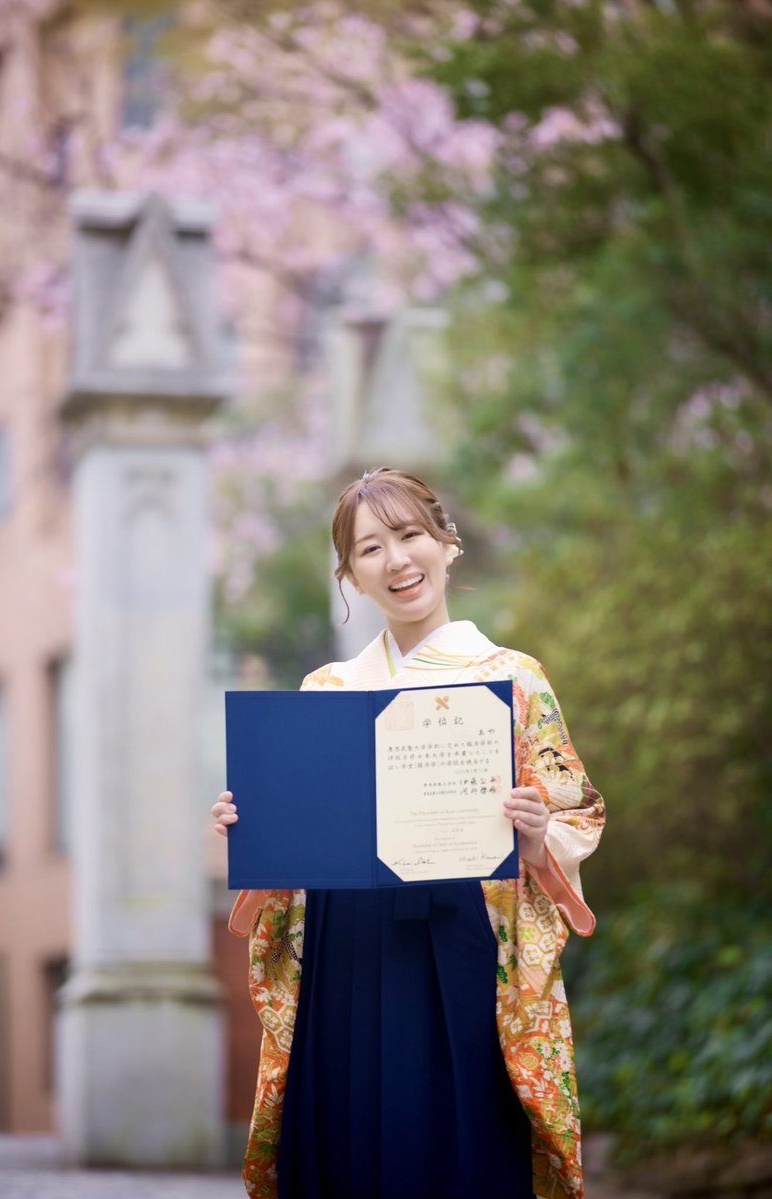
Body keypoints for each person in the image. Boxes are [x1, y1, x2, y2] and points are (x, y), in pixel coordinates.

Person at [213, 467, 604, 1199]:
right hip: (343, 940)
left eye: (410, 534)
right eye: (369, 549)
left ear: (446, 543)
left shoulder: (514, 679)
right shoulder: (325, 693)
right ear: (351, 576)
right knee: (345, 1135)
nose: (396, 559)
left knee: (456, 1139)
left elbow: (576, 812)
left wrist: (535, 835)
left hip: (462, 936)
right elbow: (295, 855)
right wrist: (257, 824)